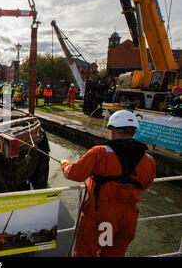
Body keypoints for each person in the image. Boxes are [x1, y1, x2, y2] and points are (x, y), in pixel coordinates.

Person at [60, 110, 156, 257]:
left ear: (112, 130)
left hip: (102, 215)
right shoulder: (148, 159)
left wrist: (64, 164)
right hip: (129, 218)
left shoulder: (100, 153)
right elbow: (144, 185)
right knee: (113, 253)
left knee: (85, 252)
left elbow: (74, 174)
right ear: (133, 132)